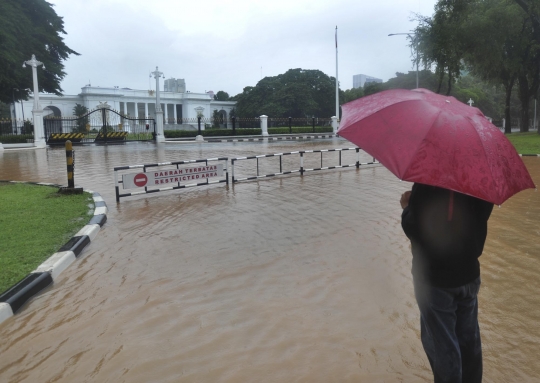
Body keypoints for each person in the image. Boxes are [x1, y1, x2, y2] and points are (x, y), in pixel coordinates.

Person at [400, 183, 494, 383]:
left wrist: (407, 208)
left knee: (443, 347)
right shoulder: (480, 178)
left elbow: (416, 228)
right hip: (469, 274)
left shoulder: (429, 180)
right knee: (468, 341)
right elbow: (480, 216)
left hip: (435, 280)